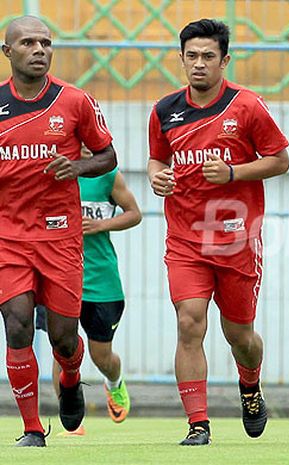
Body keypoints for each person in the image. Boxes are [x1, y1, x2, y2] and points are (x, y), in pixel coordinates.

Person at [148, 18, 289, 446]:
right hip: (185, 239)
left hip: (236, 239)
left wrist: (233, 172)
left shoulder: (247, 107)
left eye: (209, 56)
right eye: (191, 56)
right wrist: (158, 177)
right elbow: (157, 160)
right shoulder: (164, 110)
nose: (199, 64)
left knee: (239, 335)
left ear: (225, 60)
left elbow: (281, 160)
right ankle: (198, 424)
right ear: (181, 59)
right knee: (189, 323)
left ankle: (250, 386)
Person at [0, 16, 117, 447]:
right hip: (8, 236)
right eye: (28, 42)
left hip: (61, 236)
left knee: (65, 336)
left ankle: (70, 376)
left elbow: (107, 156)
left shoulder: (75, 101)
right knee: (17, 326)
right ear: (7, 51)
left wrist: (78, 166)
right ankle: (32, 428)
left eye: (46, 43)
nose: (39, 50)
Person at [34, 144, 142, 435]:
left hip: (101, 282)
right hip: (59, 276)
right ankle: (70, 419)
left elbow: (134, 213)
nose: (82, 144)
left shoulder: (107, 175)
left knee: (100, 355)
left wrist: (102, 224)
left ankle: (115, 382)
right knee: (63, 346)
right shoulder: (52, 173)